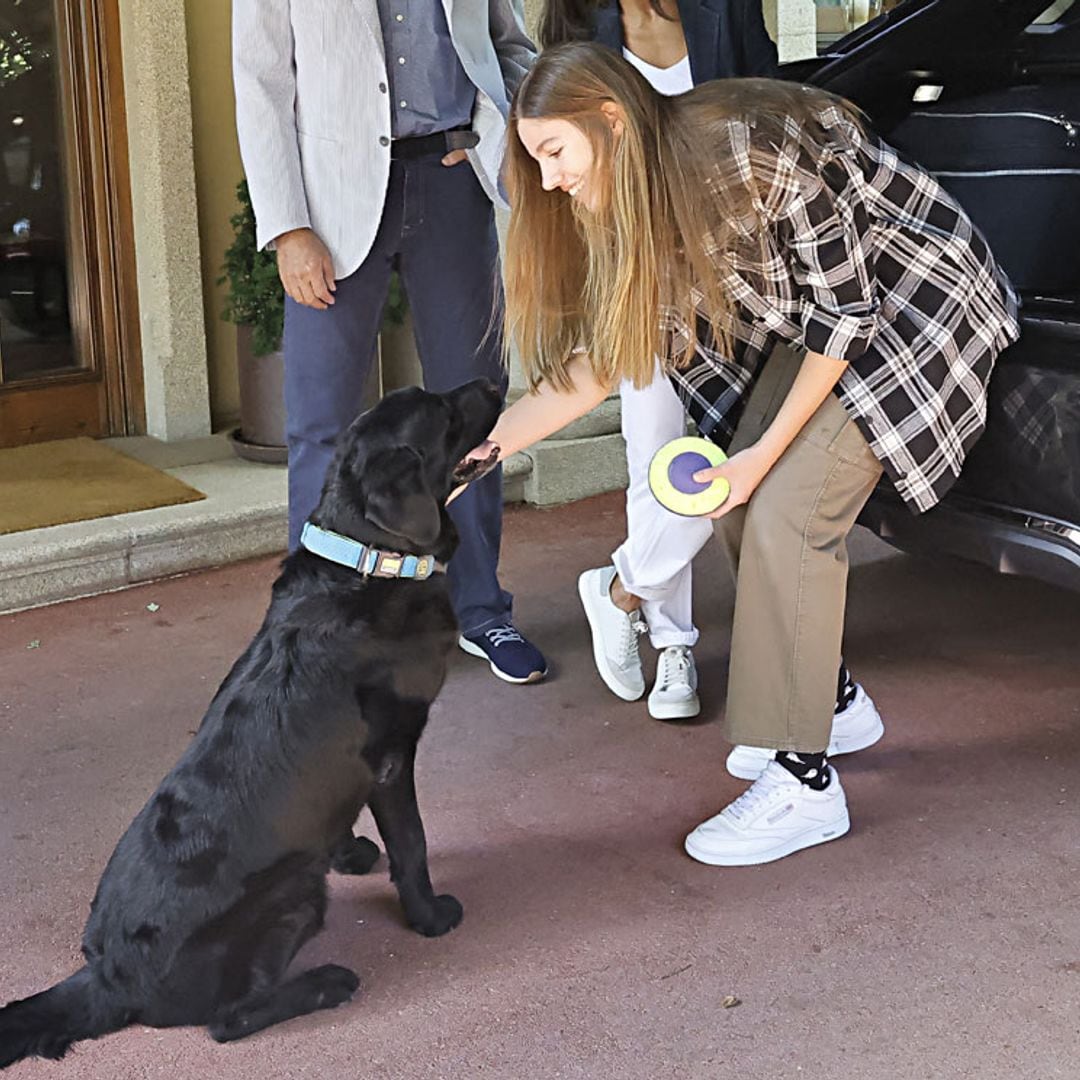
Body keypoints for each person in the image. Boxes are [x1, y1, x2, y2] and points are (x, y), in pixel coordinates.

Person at [477, 42, 1020, 865]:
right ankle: (829, 703)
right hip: (827, 329)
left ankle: (806, 786)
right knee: (728, 494)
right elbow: (601, 361)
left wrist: (763, 458)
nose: (547, 180)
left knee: (790, 511)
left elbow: (846, 317)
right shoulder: (630, 198)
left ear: (611, 122)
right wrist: (481, 451)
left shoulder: (748, 155)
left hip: (917, 304)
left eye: (554, 152)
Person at [232, 0, 547, 684]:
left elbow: (509, 46)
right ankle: (316, 624)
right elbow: (260, 82)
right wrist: (287, 228)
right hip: (333, 206)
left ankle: (480, 609)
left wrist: (508, 141)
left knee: (475, 412)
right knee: (320, 422)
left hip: (453, 182)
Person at [536, 1, 778, 724]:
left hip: (735, 268)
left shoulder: (723, 9)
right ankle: (674, 642)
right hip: (636, 271)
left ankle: (620, 590)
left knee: (732, 452)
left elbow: (761, 103)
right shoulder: (579, 27)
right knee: (658, 455)